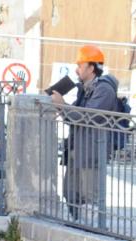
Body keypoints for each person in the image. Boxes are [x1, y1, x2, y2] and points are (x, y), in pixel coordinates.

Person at [51, 45, 119, 222]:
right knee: (70, 192)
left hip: (92, 152)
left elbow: (88, 117)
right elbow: (73, 116)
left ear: (91, 67)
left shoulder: (104, 90)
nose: (76, 69)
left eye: (80, 65)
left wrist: (62, 105)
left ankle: (91, 229)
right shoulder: (85, 88)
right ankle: (79, 224)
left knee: (89, 198)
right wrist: (61, 107)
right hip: (77, 151)